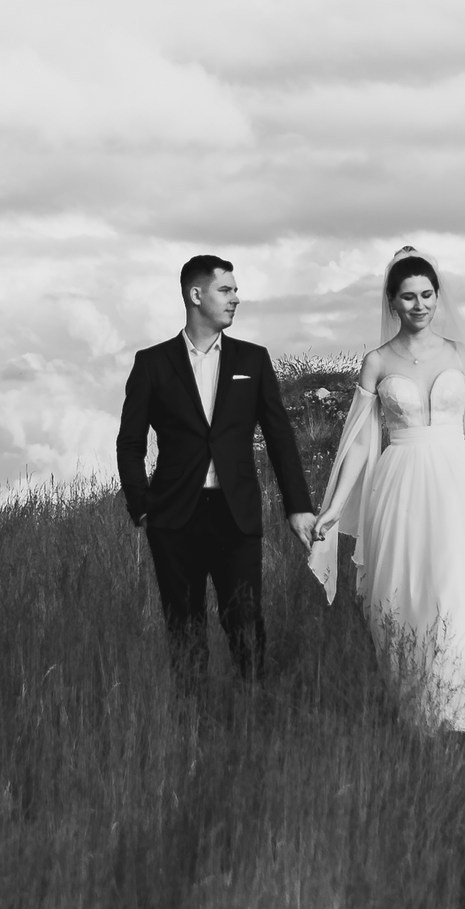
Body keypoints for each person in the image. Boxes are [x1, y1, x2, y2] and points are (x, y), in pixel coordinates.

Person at [310, 248, 465, 732]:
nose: (419, 305)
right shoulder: (376, 361)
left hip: (457, 482)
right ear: (392, 302)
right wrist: (334, 507)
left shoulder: (458, 354)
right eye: (408, 297)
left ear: (438, 297)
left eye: (427, 295)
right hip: (399, 485)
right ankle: (426, 710)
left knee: (461, 586)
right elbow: (359, 445)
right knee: (410, 593)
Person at [116, 255, 317, 686]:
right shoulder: (152, 363)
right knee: (184, 631)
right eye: (226, 290)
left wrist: (298, 506)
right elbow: (130, 444)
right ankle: (194, 730)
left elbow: (280, 438)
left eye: (234, 290)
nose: (235, 299)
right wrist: (142, 506)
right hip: (174, 518)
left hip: (236, 514)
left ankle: (251, 724)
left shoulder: (253, 359)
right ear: (196, 295)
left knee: (245, 623)